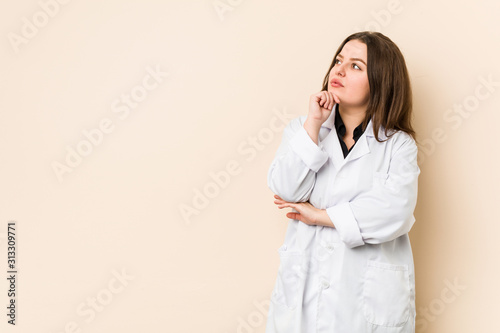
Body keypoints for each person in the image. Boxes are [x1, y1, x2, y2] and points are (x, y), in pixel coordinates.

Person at [265, 31, 420, 333]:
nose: (339, 70)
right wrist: (313, 123)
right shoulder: (304, 128)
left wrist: (319, 216)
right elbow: (285, 187)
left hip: (366, 298)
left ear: (381, 80)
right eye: (339, 61)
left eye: (356, 66)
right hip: (303, 293)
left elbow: (394, 213)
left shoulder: (398, 145)